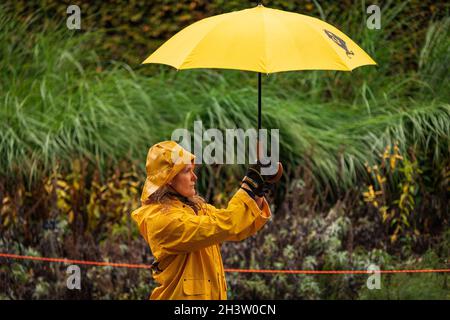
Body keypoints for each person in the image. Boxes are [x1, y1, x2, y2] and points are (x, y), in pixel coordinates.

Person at [131, 141, 280, 300]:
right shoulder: (162, 221)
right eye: (187, 171)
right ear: (169, 178)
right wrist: (249, 185)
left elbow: (237, 227)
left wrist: (257, 193)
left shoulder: (196, 209)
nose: (194, 177)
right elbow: (225, 224)